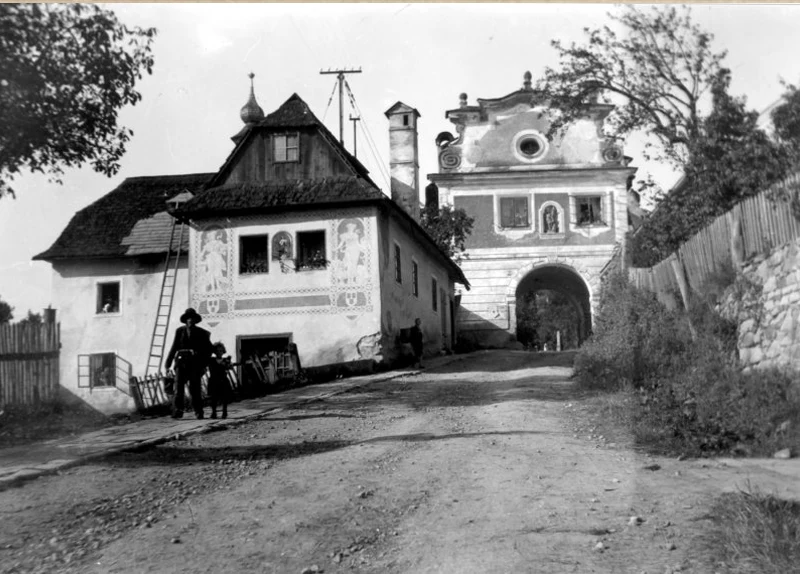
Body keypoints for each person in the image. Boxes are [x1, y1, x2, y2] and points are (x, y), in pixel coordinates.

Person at [164, 308, 213, 419]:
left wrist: (203, 365)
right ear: (185, 320)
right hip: (181, 364)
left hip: (195, 365)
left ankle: (198, 412)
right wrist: (167, 365)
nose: (190, 320)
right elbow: (174, 347)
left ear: (196, 320)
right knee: (178, 388)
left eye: (192, 318)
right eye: (188, 318)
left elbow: (208, 350)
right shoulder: (179, 331)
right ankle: (178, 411)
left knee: (195, 389)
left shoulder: (202, 333)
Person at [208, 342, 232, 419]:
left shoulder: (225, 360)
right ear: (215, 352)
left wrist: (228, 363)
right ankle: (213, 412)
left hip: (223, 380)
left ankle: (224, 411)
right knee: (213, 397)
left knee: (224, 397)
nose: (219, 352)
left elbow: (229, 367)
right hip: (214, 380)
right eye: (217, 351)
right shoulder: (211, 360)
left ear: (223, 351)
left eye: (221, 351)